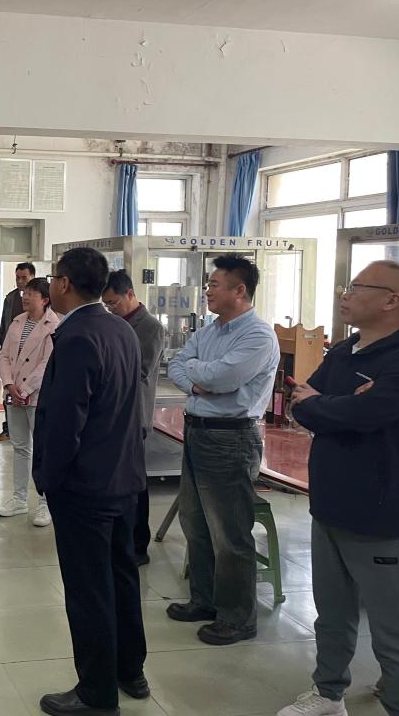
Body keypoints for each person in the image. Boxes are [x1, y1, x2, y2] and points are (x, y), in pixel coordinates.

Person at [277, 260, 399, 716]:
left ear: (391, 300)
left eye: (357, 287)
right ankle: (329, 693)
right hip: (329, 506)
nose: (344, 294)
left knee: (392, 633)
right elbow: (301, 403)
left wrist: (331, 406)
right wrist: (335, 405)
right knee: (332, 614)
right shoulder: (346, 351)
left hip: (381, 516)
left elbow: (361, 416)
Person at [33, 247, 148, 716]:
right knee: (122, 576)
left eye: (52, 278)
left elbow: (66, 422)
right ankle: (130, 671)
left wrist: (49, 479)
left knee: (88, 590)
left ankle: (97, 694)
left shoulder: (77, 336)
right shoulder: (121, 328)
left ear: (63, 283)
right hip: (124, 478)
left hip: (85, 486)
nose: (50, 285)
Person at [166, 254, 279, 646]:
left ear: (239, 290)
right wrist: (199, 381)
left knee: (229, 533)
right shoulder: (210, 330)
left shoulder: (258, 336)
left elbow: (222, 377)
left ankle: (237, 617)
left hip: (231, 438)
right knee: (195, 523)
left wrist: (201, 377)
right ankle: (205, 600)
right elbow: (178, 365)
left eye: (214, 284)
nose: (207, 291)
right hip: (198, 432)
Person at [102, 269, 166, 566]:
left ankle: (139, 545)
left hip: (134, 415)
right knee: (116, 483)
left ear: (130, 294)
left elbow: (140, 370)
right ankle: (119, 539)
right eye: (106, 304)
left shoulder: (150, 327)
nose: (110, 308)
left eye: (114, 302)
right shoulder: (113, 322)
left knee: (135, 484)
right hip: (111, 414)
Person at [0, 276, 59, 527]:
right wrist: (9, 384)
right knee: (20, 447)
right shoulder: (17, 322)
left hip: (36, 396)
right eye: (25, 293)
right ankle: (19, 499)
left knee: (42, 450)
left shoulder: (53, 325)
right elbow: (4, 356)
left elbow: (47, 364)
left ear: (44, 299)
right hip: (14, 395)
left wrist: (24, 389)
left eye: (31, 294)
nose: (25, 297)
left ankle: (45, 503)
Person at [0, 262, 36, 442]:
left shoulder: (44, 301)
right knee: (9, 392)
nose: (20, 281)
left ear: (32, 277)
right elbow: (4, 326)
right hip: (12, 356)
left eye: (24, 278)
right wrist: (3, 348)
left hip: (33, 361)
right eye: (17, 278)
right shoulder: (10, 298)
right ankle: (8, 428)